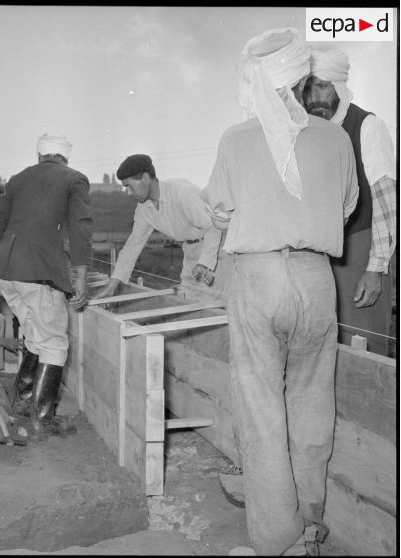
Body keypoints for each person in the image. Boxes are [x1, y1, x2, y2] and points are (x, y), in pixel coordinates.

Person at [203, 28, 358, 556]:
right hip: (317, 280)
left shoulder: (236, 138)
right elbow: (345, 207)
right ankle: (311, 523)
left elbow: (218, 210)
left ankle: (277, 540)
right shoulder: (336, 137)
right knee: (313, 400)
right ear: (300, 78)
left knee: (262, 408)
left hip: (258, 277)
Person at [0, 133, 93, 437]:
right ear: (64, 158)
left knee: (33, 336)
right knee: (55, 343)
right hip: (39, 271)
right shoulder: (74, 179)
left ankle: (22, 404)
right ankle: (43, 419)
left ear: (40, 156)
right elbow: (81, 226)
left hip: (7, 271)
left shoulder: (17, 180)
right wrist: (80, 273)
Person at [303, 48, 396, 356]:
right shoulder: (311, 135)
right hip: (323, 256)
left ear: (339, 86)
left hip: (361, 251)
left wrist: (375, 268)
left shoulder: (367, 126)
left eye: (322, 86)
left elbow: (386, 202)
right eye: (307, 88)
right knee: (328, 348)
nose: (314, 97)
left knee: (365, 348)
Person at [94, 154, 230, 305]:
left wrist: (205, 263)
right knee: (188, 305)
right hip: (190, 252)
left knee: (215, 310)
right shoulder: (144, 208)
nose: (129, 193)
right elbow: (133, 245)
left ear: (145, 178)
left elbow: (213, 227)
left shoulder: (181, 193)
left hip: (215, 250)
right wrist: (112, 285)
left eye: (130, 186)